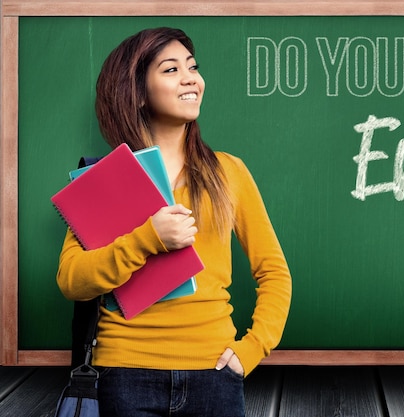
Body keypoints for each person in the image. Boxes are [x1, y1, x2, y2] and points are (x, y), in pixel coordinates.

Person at [56, 27, 292, 417]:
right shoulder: (104, 179)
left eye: (193, 67)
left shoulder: (228, 172)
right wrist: (148, 238)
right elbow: (71, 281)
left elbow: (275, 273)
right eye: (170, 70)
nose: (190, 79)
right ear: (138, 91)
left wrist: (250, 350)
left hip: (215, 373)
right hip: (124, 374)